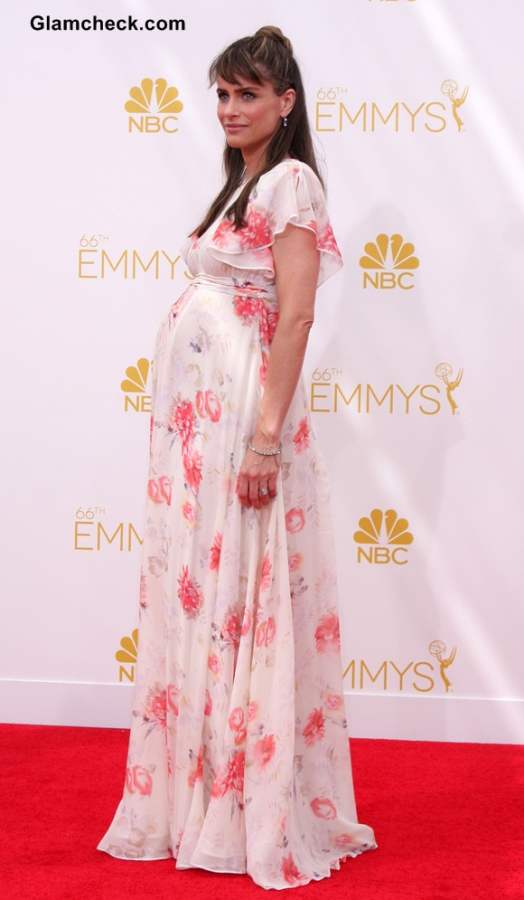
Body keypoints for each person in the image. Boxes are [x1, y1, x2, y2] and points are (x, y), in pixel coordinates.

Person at [97, 24, 378, 890]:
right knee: (209, 593)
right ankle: (199, 795)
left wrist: (263, 437)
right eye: (221, 93)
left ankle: (246, 803)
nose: (229, 108)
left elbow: (294, 316)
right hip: (200, 430)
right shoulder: (242, 185)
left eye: (247, 94)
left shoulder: (290, 181)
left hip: (244, 421)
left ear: (285, 103)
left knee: (241, 591)